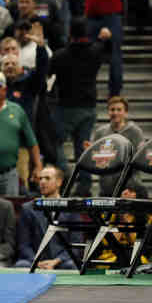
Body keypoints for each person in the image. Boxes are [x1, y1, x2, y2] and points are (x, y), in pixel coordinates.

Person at [49, 19, 112, 195]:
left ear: (70, 35)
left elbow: (49, 78)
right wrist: (104, 39)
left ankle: (64, 174)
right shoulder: (95, 52)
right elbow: (107, 51)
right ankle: (84, 187)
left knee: (54, 143)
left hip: (66, 107)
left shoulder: (60, 55)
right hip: (88, 108)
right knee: (83, 149)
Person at [15, 165, 77, 269]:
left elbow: (75, 244)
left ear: (59, 182)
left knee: (71, 265)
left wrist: (56, 261)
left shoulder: (70, 208)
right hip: (35, 261)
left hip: (61, 261)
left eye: (47, 178)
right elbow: (23, 244)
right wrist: (36, 261)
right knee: (21, 265)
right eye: (40, 179)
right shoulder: (28, 208)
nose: (42, 182)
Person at [89, 96, 145, 196]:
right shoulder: (100, 132)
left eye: (119, 110)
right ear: (108, 112)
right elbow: (95, 161)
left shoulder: (135, 131)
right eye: (112, 109)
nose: (115, 113)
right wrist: (90, 153)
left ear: (125, 112)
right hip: (106, 188)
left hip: (131, 186)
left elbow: (140, 159)